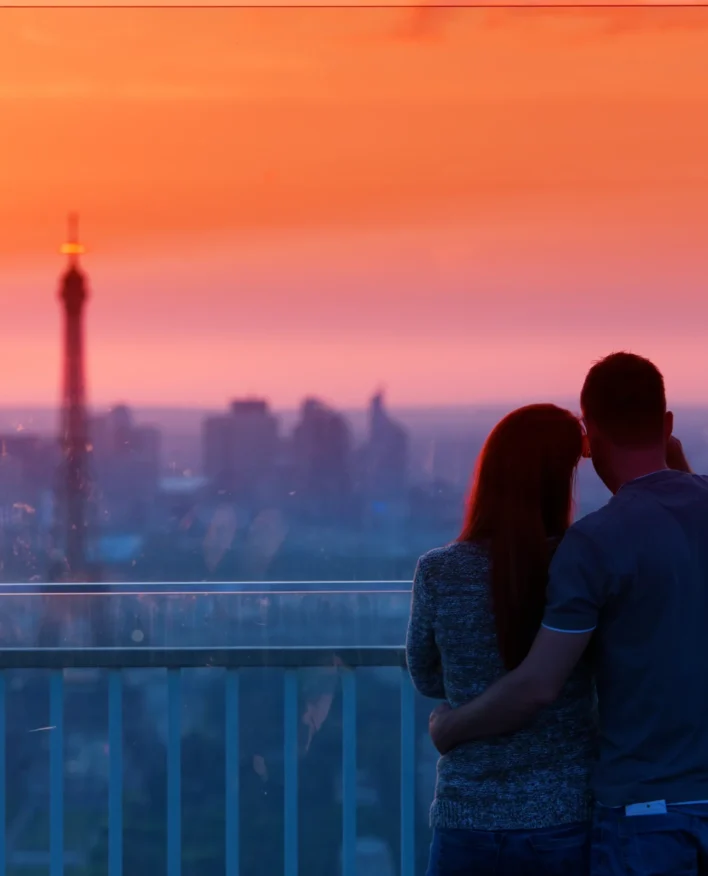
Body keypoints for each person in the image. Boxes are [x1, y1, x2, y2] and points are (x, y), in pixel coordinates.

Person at [429, 352, 708, 876]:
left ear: (589, 431)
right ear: (668, 424)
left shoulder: (594, 543)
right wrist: (679, 467)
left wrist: (449, 728)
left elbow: (537, 685)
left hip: (643, 816)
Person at [407, 404, 596, 876]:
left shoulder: (438, 569)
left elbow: (427, 675)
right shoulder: (581, 564)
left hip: (466, 814)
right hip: (562, 814)